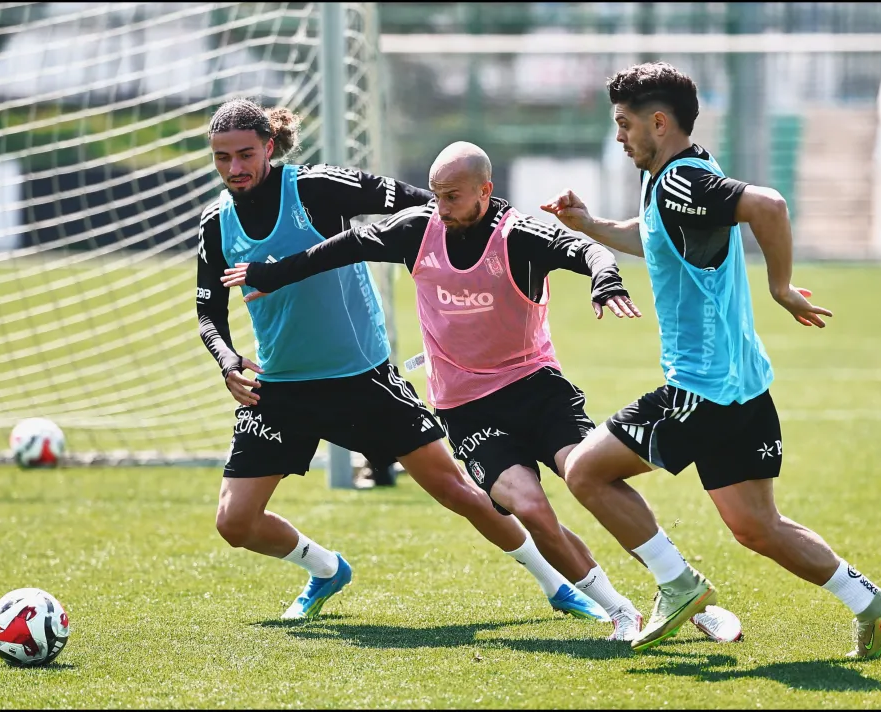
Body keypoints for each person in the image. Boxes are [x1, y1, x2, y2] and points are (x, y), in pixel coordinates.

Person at [220, 141, 744, 644]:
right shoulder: (416, 229)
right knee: (529, 506)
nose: (438, 207)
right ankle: (620, 611)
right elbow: (347, 245)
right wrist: (274, 272)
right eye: (434, 193)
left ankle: (686, 590)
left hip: (536, 390)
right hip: (467, 408)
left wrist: (604, 278)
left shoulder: (518, 235)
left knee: (587, 476)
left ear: (485, 191)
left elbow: (584, 249)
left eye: (451, 196)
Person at [537, 61, 881, 657]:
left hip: (701, 388)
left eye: (624, 123)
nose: (619, 136)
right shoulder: (679, 181)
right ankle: (875, 605)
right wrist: (592, 226)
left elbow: (768, 204)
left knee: (585, 470)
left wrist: (781, 288)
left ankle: (677, 583)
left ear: (658, 122)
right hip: (743, 388)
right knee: (758, 527)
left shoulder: (684, 182)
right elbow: (655, 234)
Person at [196, 98, 613, 623]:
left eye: (245, 154)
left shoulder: (317, 187)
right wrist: (227, 359)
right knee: (234, 523)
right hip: (279, 387)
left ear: (270, 147)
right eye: (221, 158)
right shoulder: (216, 222)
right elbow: (207, 308)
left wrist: (492, 216)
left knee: (458, 491)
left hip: (361, 379)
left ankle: (557, 584)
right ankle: (325, 569)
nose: (234, 168)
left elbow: (426, 201)